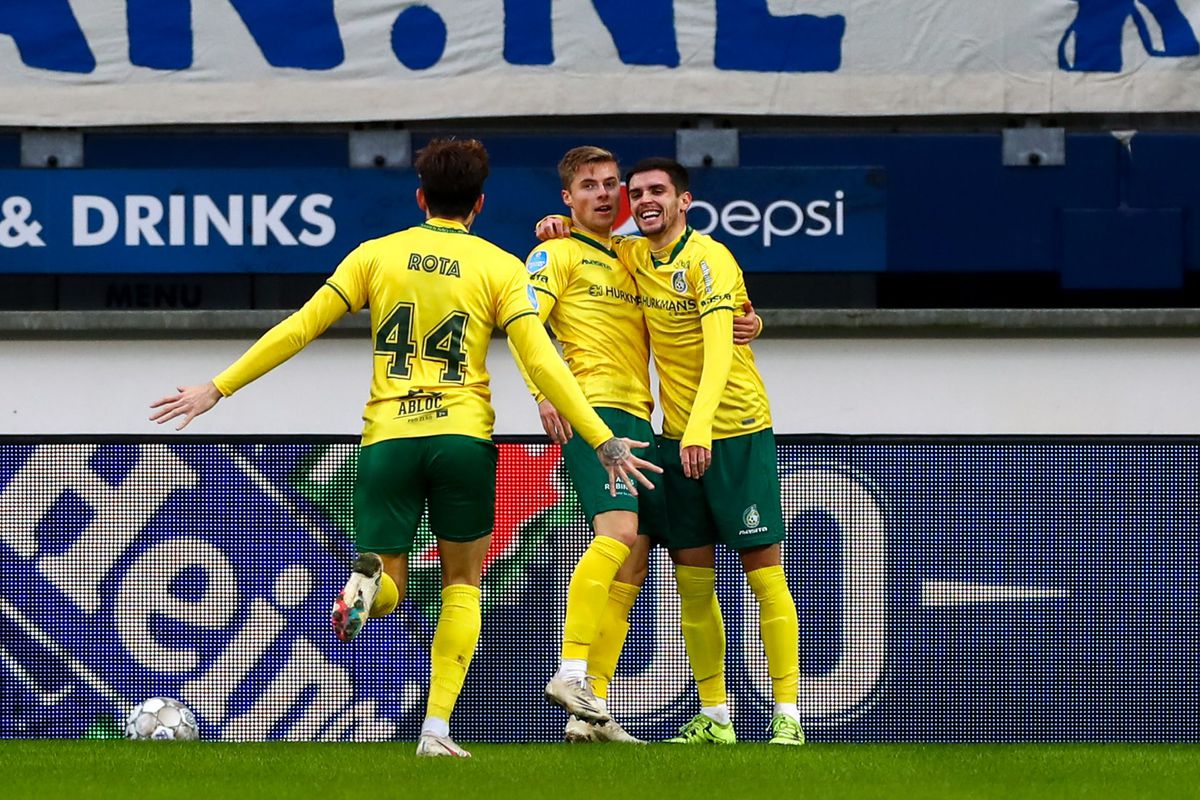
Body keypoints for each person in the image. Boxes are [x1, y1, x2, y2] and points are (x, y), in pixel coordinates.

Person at [149, 139, 660, 758]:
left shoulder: (376, 255)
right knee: (462, 581)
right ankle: (436, 730)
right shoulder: (499, 266)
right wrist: (602, 439)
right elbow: (544, 363)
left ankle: (367, 587)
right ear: (479, 204)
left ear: (421, 197)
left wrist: (217, 388)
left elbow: (301, 326)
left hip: (388, 437)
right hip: (462, 439)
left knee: (391, 579)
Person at [538, 156, 803, 746]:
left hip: (733, 431)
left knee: (763, 572)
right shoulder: (631, 255)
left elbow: (720, 353)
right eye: (636, 192)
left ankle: (788, 711)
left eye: (657, 190)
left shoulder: (709, 259)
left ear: (685, 201)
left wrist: (702, 428)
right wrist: (556, 227)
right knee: (692, 580)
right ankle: (717, 715)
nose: (643, 199)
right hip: (675, 436)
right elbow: (581, 251)